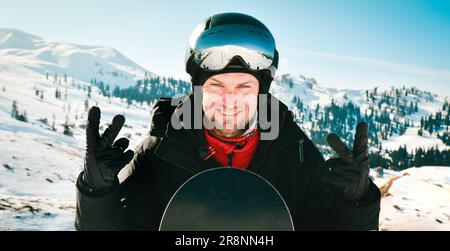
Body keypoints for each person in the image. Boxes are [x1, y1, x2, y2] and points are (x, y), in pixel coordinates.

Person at [75, 12, 380, 231]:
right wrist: (97, 193)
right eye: (216, 86)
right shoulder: (159, 152)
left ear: (262, 92)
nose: (229, 100)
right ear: (197, 91)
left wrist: (356, 203)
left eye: (244, 87)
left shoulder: (297, 155)